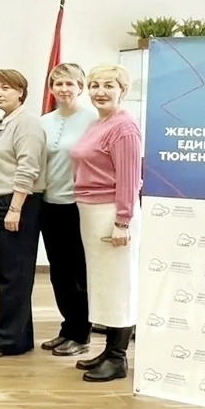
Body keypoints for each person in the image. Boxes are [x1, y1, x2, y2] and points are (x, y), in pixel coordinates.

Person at [71, 64, 143, 382]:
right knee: (103, 284)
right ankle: (108, 349)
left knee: (119, 284)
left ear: (122, 90)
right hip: (92, 212)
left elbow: (129, 179)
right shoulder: (99, 123)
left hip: (112, 213)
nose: (100, 91)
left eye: (109, 85)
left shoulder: (124, 127)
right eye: (95, 85)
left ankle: (117, 358)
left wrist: (122, 222)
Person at [0, 69, 47, 360]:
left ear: (21, 92)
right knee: (8, 273)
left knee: (13, 276)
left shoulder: (27, 123)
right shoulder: (2, 123)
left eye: (5, 88)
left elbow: (28, 168)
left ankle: (5, 340)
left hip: (17, 202)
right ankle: (20, 338)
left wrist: (15, 208)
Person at [39, 63, 98, 357]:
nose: (63, 89)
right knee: (59, 273)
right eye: (58, 84)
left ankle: (81, 333)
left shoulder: (94, 119)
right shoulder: (44, 121)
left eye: (69, 84)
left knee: (78, 274)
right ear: (51, 88)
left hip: (79, 206)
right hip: (50, 206)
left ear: (80, 87)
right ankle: (68, 327)